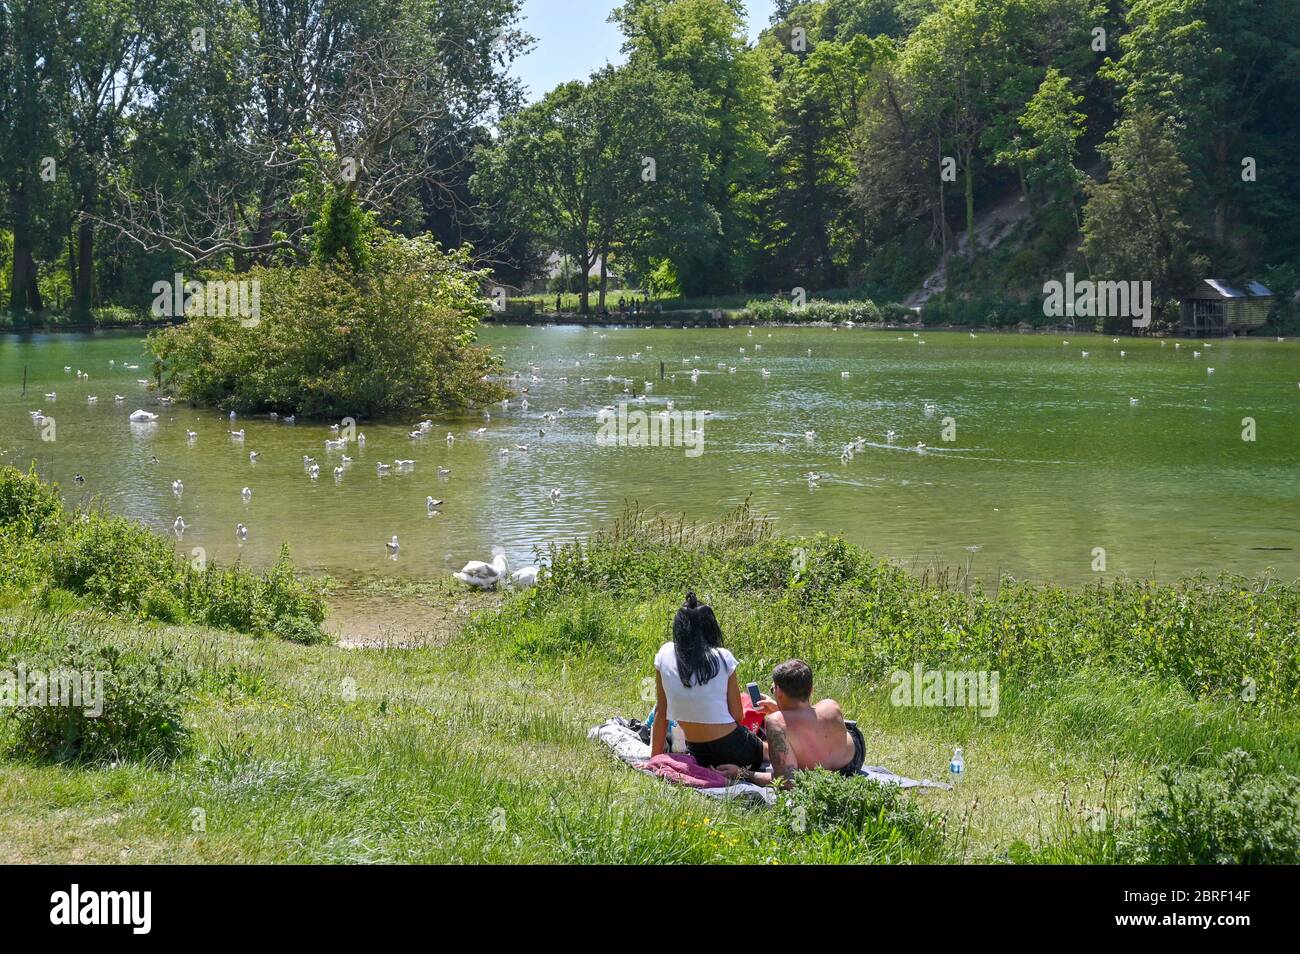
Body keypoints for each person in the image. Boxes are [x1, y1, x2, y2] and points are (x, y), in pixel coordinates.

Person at [651, 592, 764, 772]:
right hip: (734, 749)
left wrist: (654, 760)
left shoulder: (664, 653)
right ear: (711, 628)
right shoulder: (723, 657)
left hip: (698, 752)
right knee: (765, 747)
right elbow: (737, 716)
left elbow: (661, 713)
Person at [720, 659, 865, 788]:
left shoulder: (776, 722)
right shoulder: (831, 705)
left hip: (816, 773)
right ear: (811, 689)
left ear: (779, 693)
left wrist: (742, 773)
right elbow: (809, 717)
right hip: (852, 762)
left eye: (773, 690)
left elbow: (787, 781)